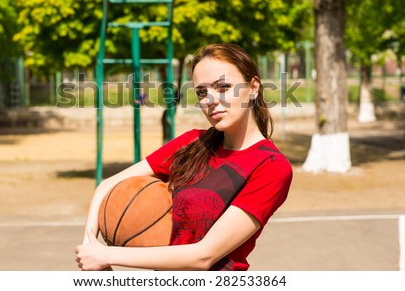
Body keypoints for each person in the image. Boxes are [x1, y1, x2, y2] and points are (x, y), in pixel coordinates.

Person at [75, 43, 293, 271]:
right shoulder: (193, 143)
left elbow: (203, 256)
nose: (211, 100)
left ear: (254, 87)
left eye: (223, 87)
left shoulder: (271, 167)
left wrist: (107, 255)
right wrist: (91, 247)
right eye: (202, 92)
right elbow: (108, 186)